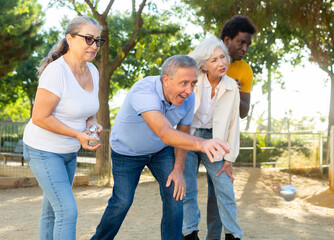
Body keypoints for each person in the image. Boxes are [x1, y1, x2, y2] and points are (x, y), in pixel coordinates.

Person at [90, 55, 230, 240]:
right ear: (166, 80)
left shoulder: (188, 99)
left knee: (176, 193)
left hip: (160, 151)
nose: (189, 90)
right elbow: (164, 131)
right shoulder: (143, 91)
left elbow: (183, 132)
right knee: (122, 202)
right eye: (184, 83)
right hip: (127, 152)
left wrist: (179, 169)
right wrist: (203, 143)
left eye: (193, 83)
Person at [22, 16, 104, 240]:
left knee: (51, 212)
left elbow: (90, 113)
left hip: (68, 152)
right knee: (67, 212)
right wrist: (78, 134)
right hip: (43, 150)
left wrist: (92, 128)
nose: (94, 45)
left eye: (98, 41)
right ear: (70, 38)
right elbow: (39, 117)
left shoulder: (93, 72)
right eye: (88, 39)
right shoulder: (56, 72)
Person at [182, 36, 242, 240]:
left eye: (222, 57)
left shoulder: (232, 87)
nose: (221, 63)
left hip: (214, 140)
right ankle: (189, 232)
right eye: (214, 60)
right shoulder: (192, 80)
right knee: (188, 187)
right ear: (204, 66)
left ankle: (233, 234)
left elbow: (234, 124)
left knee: (225, 188)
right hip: (188, 136)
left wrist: (229, 159)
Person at [205, 15, 257, 240]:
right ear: (226, 40)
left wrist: (233, 90)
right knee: (184, 189)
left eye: (247, 44)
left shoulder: (245, 71)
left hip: (223, 136)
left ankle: (214, 237)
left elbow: (244, 112)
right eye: (241, 42)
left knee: (218, 190)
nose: (245, 48)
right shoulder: (206, 58)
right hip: (197, 132)